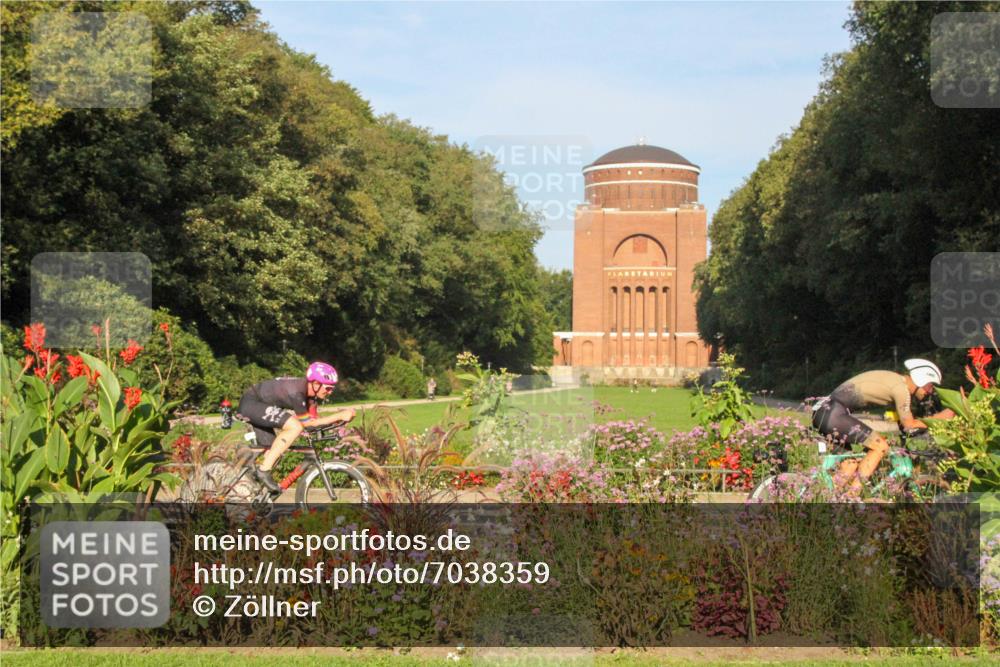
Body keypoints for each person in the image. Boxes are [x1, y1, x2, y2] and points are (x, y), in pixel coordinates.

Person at [811, 359, 954, 492]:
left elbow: (903, 424)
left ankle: (835, 501)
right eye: (930, 385)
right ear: (920, 380)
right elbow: (909, 425)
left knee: (850, 463)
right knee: (880, 446)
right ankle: (851, 498)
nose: (930, 391)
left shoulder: (896, 382)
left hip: (825, 411)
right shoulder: (901, 389)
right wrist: (940, 418)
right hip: (834, 414)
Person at [237, 362, 355, 493]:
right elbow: (306, 424)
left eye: (332, 388)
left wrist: (338, 422)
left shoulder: (311, 398)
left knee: (275, 451)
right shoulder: (297, 393)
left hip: (259, 405)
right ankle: (263, 470)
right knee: (295, 427)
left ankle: (249, 485)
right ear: (316, 384)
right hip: (251, 403)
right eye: (328, 388)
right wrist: (339, 415)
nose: (330, 392)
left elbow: (314, 424)